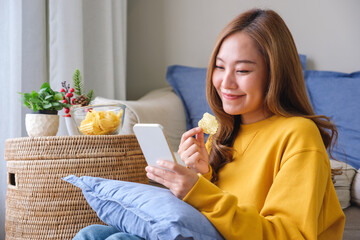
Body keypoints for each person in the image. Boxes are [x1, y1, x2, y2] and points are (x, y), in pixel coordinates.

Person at [74, 8, 345, 240]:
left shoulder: (298, 134)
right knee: (93, 234)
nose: (226, 83)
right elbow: (213, 217)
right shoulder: (223, 132)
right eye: (219, 66)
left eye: (242, 71)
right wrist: (202, 176)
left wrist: (198, 190)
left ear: (275, 75)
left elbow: (287, 234)